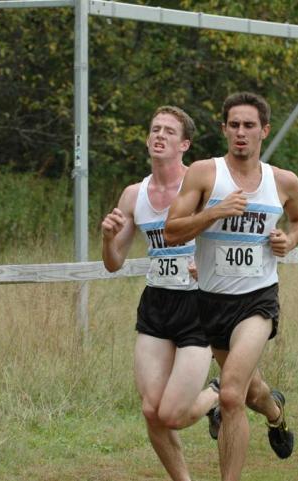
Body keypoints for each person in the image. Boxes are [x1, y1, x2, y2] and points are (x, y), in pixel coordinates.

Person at [164, 92, 298, 481]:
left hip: (257, 301)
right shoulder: (204, 173)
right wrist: (215, 211)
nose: (241, 133)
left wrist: (290, 241)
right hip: (211, 301)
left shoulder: (283, 181)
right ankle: (275, 412)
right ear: (224, 130)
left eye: (249, 126)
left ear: (264, 130)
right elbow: (172, 231)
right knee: (249, 391)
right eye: (234, 125)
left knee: (229, 395)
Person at [100, 105, 219, 481]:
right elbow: (114, 262)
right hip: (157, 303)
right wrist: (107, 238)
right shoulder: (133, 195)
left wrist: (209, 262)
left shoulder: (201, 187)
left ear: (184, 144)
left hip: (199, 304)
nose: (159, 135)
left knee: (173, 414)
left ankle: (218, 393)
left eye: (169, 131)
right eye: (155, 129)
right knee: (151, 410)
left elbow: (228, 238)